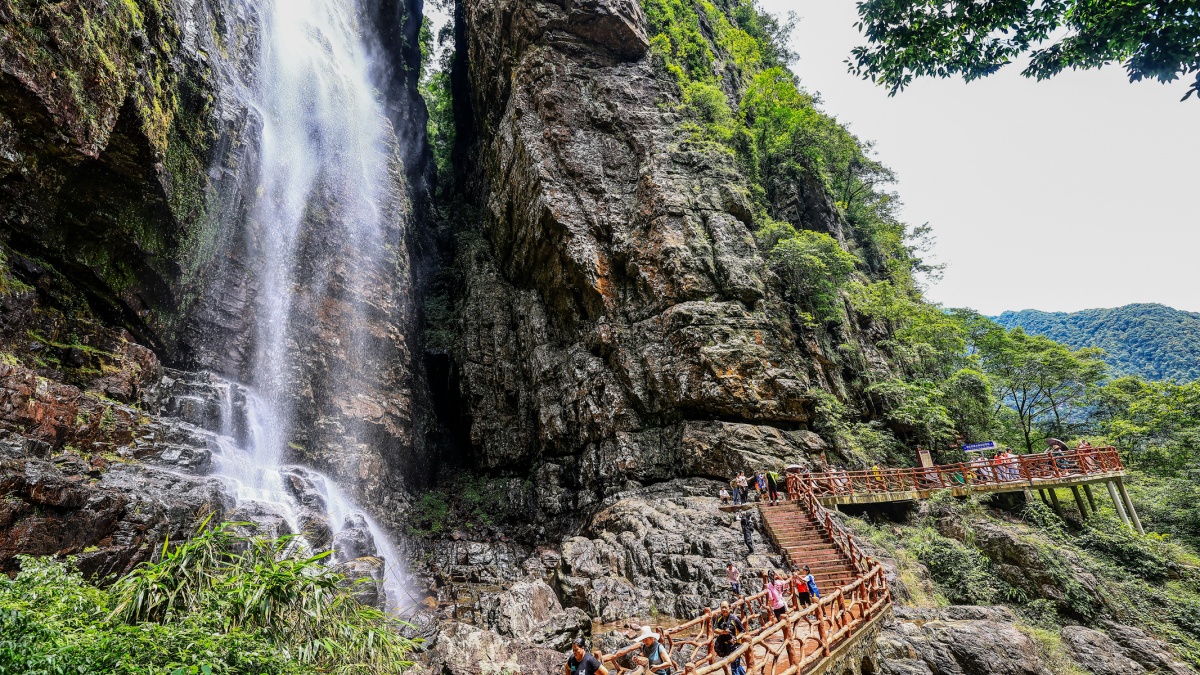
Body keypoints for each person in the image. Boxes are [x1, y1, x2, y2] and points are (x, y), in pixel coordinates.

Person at [712, 601, 745, 675]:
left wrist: (736, 638)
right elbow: (715, 629)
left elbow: (743, 631)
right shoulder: (719, 617)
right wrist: (723, 632)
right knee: (737, 665)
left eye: (725, 607)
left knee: (734, 667)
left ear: (729, 608)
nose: (724, 609)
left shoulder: (735, 619)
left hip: (735, 646)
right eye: (722, 607)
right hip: (725, 646)